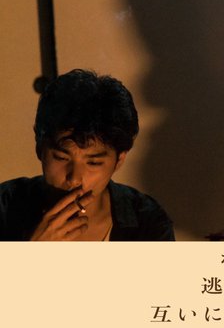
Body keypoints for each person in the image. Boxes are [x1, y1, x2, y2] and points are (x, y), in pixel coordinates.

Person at [0, 69, 174, 240]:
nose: (74, 179)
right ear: (40, 149)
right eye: (61, 158)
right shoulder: (5, 207)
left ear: (119, 160)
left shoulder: (147, 222)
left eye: (93, 163)